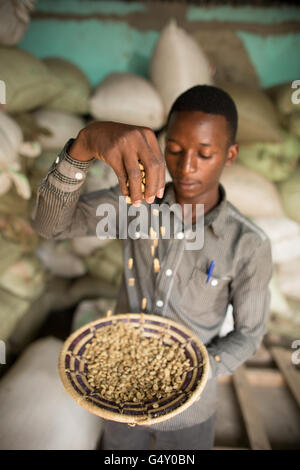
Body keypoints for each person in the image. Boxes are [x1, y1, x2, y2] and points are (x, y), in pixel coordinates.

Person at [31, 85, 273, 450]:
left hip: (190, 413)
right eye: (174, 150)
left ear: (230, 154)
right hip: (120, 401)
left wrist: (194, 374)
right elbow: (49, 225)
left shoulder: (248, 244)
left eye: (205, 154)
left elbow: (250, 333)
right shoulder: (136, 203)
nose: (186, 166)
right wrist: (83, 147)